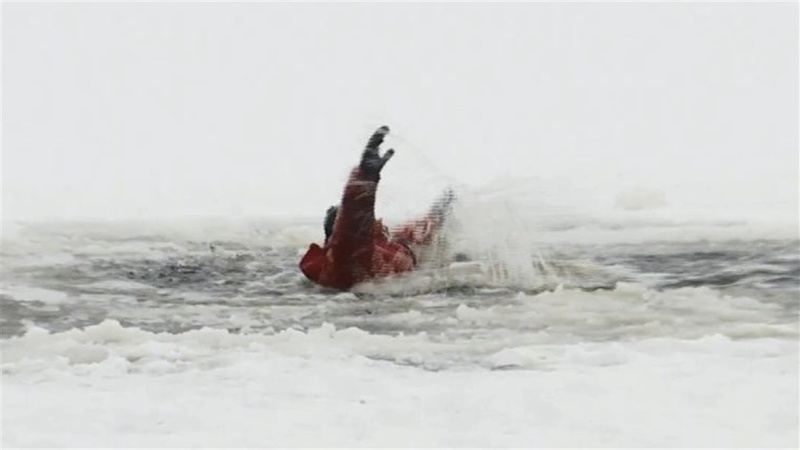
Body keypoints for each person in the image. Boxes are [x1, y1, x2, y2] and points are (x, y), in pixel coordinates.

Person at [299, 125, 454, 290]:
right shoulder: (348, 258)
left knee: (430, 224)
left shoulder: (381, 246)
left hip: (409, 258)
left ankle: (447, 203)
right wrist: (365, 178)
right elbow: (352, 226)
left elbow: (411, 235)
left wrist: (441, 210)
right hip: (393, 288)